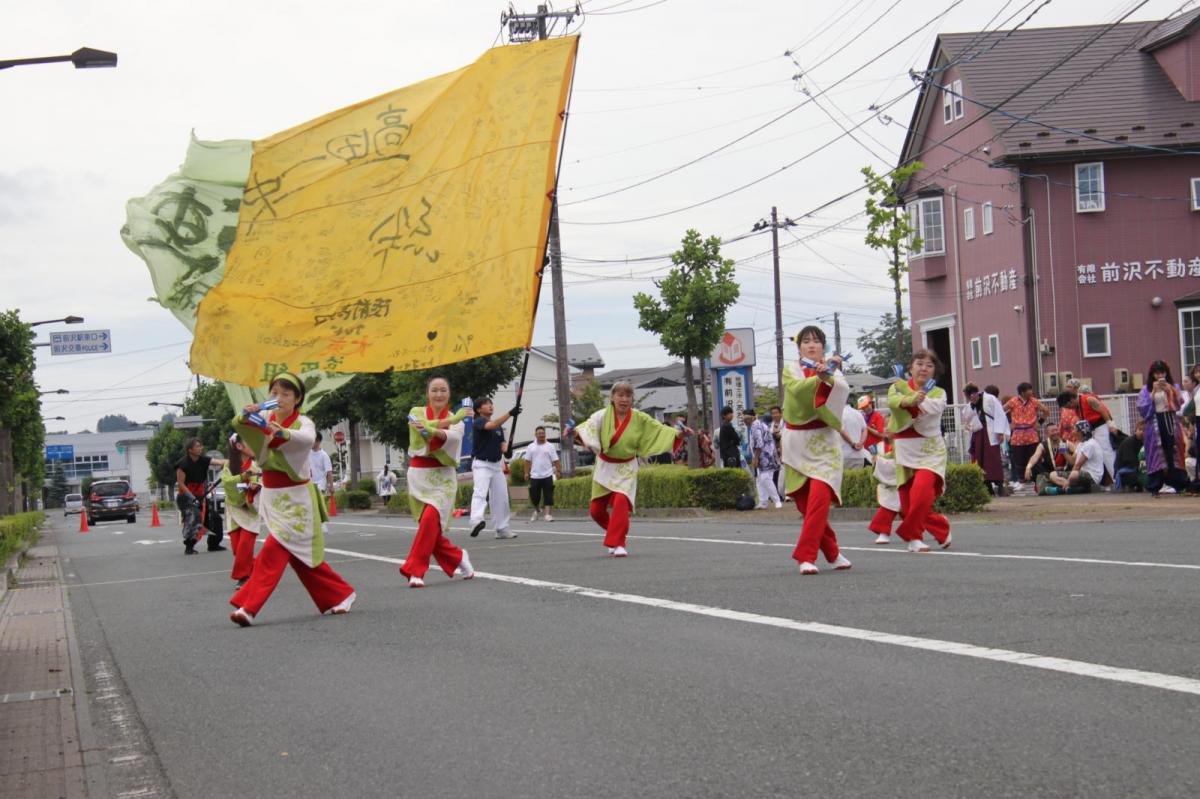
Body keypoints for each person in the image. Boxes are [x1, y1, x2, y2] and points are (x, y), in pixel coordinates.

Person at [229, 371, 356, 626]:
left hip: (297, 497)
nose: (279, 398)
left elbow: (306, 439)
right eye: (274, 392)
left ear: (297, 399)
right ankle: (340, 594)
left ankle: (249, 606)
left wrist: (280, 432)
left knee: (274, 548)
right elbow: (241, 426)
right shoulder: (264, 414)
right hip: (273, 496)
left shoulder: (304, 422)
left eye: (286, 394)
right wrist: (245, 414)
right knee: (298, 555)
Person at [571, 381, 687, 557]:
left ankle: (618, 543)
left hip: (626, 467)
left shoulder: (640, 418)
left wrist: (679, 434)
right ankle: (616, 534)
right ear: (612, 397)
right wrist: (575, 433)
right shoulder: (601, 416)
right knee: (595, 511)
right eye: (620, 395)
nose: (624, 399)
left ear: (632, 399)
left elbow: (659, 430)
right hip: (604, 466)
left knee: (620, 501)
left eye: (628, 396)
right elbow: (587, 429)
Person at [779, 326, 853, 575]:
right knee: (805, 504)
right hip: (796, 442)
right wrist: (819, 377)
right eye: (806, 342)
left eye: (816, 341)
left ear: (824, 346)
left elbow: (842, 391)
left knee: (820, 498)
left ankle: (805, 555)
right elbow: (798, 392)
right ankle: (832, 553)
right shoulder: (791, 369)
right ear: (799, 347)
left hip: (825, 443)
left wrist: (829, 376)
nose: (811, 345)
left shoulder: (834, 371)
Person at [398, 376, 476, 587]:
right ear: (427, 394)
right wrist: (446, 422)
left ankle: (415, 570)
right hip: (418, 476)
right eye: (434, 390)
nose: (439, 394)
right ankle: (459, 557)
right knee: (429, 527)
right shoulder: (417, 412)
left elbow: (449, 438)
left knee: (430, 519)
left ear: (449, 394)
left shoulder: (457, 420)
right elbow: (418, 428)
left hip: (443, 478)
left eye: (443, 390)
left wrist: (431, 429)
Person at [888, 350, 952, 552]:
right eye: (919, 363)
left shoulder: (939, 392)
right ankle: (918, 537)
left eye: (929, 365)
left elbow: (934, 407)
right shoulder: (897, 387)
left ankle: (909, 531)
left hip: (930, 449)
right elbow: (893, 402)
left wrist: (919, 399)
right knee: (907, 500)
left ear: (935, 371)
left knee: (921, 491)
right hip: (904, 448)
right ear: (911, 367)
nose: (924, 368)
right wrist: (909, 399)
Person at [1136, 360, 1190, 496]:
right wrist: (1153, 392)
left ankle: (1178, 483)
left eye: (1162, 372)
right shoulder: (1146, 389)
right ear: (1152, 374)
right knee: (1156, 452)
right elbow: (1142, 408)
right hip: (1155, 423)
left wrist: (1170, 390)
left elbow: (1179, 403)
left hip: (1171, 421)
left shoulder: (1173, 386)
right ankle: (1155, 485)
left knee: (1174, 450)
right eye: (1157, 372)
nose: (1160, 375)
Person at [470, 396, 520, 539]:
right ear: (479, 409)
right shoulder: (479, 421)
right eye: (486, 404)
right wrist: (510, 413)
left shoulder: (498, 426)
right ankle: (476, 521)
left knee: (501, 497)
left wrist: (508, 451)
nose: (490, 406)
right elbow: (490, 426)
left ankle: (502, 528)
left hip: (497, 465)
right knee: (480, 492)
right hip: (482, 464)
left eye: (491, 403)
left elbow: (503, 446)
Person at [175, 437, 226, 555]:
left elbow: (220, 462)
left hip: (201, 496)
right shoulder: (182, 464)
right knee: (195, 517)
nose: (200, 448)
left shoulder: (203, 460)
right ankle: (189, 546)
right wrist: (193, 499)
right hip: (186, 497)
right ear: (190, 450)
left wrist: (235, 460)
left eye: (200, 446)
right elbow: (181, 484)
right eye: (197, 446)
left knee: (215, 518)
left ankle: (214, 544)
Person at [222, 433, 261, 587]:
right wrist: (243, 477)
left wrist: (255, 485)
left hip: (250, 509)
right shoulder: (229, 466)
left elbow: (260, 481)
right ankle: (259, 569)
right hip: (233, 508)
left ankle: (243, 578)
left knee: (245, 545)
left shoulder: (256, 465)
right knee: (237, 548)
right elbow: (227, 482)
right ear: (239, 446)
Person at [1056, 388, 1117, 483]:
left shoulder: (1088, 399)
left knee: (1107, 453)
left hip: (1101, 427)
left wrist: (1111, 425)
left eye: (1069, 406)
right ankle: (1108, 481)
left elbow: (1104, 411)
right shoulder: (1077, 407)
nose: (1070, 408)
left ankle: (1116, 480)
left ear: (1071, 400)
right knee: (1097, 454)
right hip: (1092, 430)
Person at [960, 383, 1007, 496]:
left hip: (990, 432)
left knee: (993, 459)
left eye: (971, 396)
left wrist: (1000, 432)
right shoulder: (970, 404)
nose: (971, 398)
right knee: (978, 458)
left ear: (975, 393)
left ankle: (999, 485)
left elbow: (1000, 415)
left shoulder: (990, 399)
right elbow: (966, 417)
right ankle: (986, 486)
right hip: (977, 433)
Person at [1004, 382, 1047, 488]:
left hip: (1031, 433)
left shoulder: (1034, 401)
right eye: (1029, 390)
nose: (1031, 392)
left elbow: (1046, 410)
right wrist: (1007, 424)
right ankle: (1022, 481)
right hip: (1018, 434)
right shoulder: (1013, 401)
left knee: (1034, 457)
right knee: (1019, 458)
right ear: (1022, 392)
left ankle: (1036, 480)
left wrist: (1040, 422)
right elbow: (1001, 411)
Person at [1047, 420, 1105, 492]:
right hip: (1079, 474)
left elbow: (1077, 466)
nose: (1073, 432)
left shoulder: (1090, 444)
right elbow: (1073, 461)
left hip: (1092, 476)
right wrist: (1063, 451)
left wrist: (1069, 480)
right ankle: (1070, 488)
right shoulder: (1080, 444)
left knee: (1074, 474)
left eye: (1075, 429)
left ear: (1081, 432)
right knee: (1052, 474)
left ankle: (1063, 488)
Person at [744, 407, 782, 509]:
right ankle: (763, 502)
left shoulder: (756, 425)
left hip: (765, 456)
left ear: (751, 418)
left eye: (745, 419)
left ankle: (777, 500)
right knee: (760, 479)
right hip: (764, 454)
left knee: (765, 478)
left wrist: (755, 458)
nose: (744, 421)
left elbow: (759, 444)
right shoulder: (756, 424)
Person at [521, 425, 561, 522]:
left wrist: (558, 471)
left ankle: (547, 514)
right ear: (535, 435)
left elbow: (556, 460)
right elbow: (527, 461)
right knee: (534, 496)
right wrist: (526, 473)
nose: (541, 435)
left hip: (547, 474)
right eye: (539, 433)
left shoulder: (550, 446)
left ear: (545, 434)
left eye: (543, 433)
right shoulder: (531, 447)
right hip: (535, 475)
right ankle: (537, 510)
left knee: (549, 494)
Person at [1023, 422, 1072, 491]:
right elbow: (1035, 456)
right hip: (1049, 473)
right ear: (1047, 434)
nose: (1055, 433)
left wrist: (1064, 451)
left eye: (1056, 430)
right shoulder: (1043, 445)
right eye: (1052, 431)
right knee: (1034, 466)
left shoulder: (1067, 443)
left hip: (1064, 472)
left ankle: (1055, 487)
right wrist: (1028, 467)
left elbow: (1073, 462)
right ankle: (1059, 487)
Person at [1113, 420, 1145, 492]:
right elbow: (1129, 461)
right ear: (1135, 430)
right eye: (1140, 430)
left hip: (1134, 468)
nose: (1142, 432)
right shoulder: (1130, 442)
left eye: (1144, 430)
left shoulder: (1144, 442)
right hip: (1125, 471)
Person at [839, 399, 867, 473]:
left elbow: (841, 430)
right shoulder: (858, 413)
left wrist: (853, 444)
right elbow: (864, 429)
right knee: (857, 481)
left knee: (845, 482)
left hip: (844, 454)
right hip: (859, 454)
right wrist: (861, 443)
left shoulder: (839, 413)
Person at [860, 394, 889, 461]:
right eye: (863, 407)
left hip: (877, 449)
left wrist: (867, 427)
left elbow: (881, 434)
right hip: (866, 450)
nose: (866, 409)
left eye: (867, 406)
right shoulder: (863, 417)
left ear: (871, 404)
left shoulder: (877, 416)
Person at [309, 432, 334, 497]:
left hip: (320, 484)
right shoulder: (308, 453)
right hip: (310, 484)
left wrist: (331, 486)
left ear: (318, 441)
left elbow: (329, 473)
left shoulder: (324, 455)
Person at [769, 405, 784, 491]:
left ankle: (785, 493)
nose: (775, 415)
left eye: (776, 413)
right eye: (773, 413)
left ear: (781, 413)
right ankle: (777, 493)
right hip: (774, 453)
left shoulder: (785, 424)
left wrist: (778, 435)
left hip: (784, 451)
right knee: (775, 473)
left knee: (783, 473)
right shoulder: (770, 425)